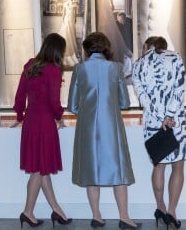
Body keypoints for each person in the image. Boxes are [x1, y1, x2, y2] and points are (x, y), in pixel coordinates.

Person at [67, 32, 141, 229]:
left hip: (87, 127)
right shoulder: (115, 68)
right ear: (106, 47)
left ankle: (96, 216)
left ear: (87, 48)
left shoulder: (79, 69)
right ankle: (124, 217)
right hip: (111, 125)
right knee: (119, 170)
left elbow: (72, 106)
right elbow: (125, 103)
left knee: (91, 171)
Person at [12, 33, 72, 228]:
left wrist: (20, 117)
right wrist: (59, 118)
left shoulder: (30, 65)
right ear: (58, 51)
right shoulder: (53, 69)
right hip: (45, 123)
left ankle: (57, 211)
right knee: (39, 170)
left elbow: (20, 96)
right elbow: (54, 102)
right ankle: (28, 212)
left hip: (31, 121)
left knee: (42, 168)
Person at [132, 36, 186, 229]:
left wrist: (159, 117)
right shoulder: (176, 58)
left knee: (159, 166)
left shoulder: (138, 65)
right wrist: (169, 115)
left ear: (147, 46)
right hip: (175, 122)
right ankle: (172, 211)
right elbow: (179, 90)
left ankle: (161, 208)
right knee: (178, 167)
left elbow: (142, 98)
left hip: (153, 123)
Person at [94, 0, 132, 66]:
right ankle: (99, 50)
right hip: (96, 2)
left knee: (107, 25)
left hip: (104, 3)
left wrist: (112, 3)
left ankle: (107, 50)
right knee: (99, 24)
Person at [59, 0, 79, 66]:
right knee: (71, 30)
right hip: (71, 18)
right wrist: (75, 19)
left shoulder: (65, 3)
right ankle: (70, 40)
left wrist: (63, 19)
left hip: (67, 18)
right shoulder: (74, 4)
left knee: (66, 29)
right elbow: (75, 13)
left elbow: (63, 13)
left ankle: (67, 39)